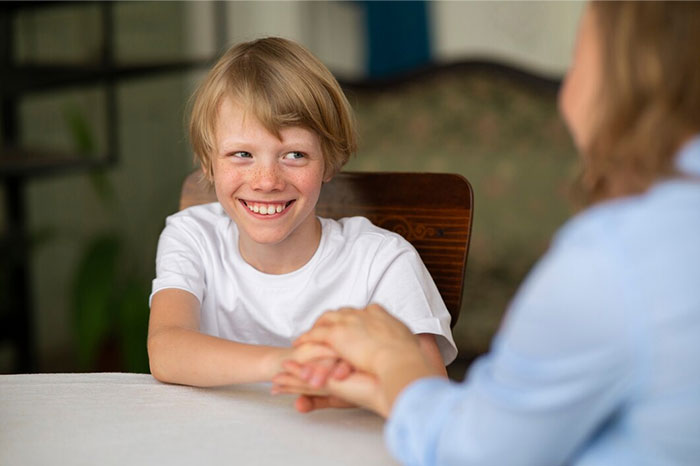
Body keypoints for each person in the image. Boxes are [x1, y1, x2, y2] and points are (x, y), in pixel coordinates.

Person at [275, 2, 700, 464]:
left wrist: (396, 365)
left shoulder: (614, 258)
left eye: (579, 59)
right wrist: (391, 386)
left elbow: (479, 450)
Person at [147, 37, 457, 388]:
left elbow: (428, 388)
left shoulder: (381, 261)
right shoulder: (192, 236)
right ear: (207, 163)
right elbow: (167, 349)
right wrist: (289, 363)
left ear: (329, 162)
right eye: (242, 154)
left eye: (294, 155)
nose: (266, 181)